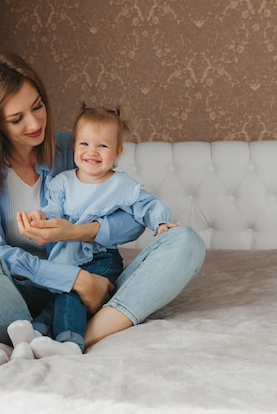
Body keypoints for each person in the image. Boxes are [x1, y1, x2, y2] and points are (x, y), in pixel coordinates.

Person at [0, 52, 206, 361]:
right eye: (17, 118)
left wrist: (80, 232)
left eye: (38, 106)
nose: (35, 122)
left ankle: (76, 336)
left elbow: (130, 218)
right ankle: (46, 329)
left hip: (93, 284)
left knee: (185, 242)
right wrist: (75, 281)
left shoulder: (75, 148)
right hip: (23, 296)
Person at [14, 103, 184, 358]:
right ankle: (31, 341)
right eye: (84, 144)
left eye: (102, 146)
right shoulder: (63, 182)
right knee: (55, 295)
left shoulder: (121, 184)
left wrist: (160, 223)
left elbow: (145, 205)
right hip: (65, 257)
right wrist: (41, 218)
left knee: (71, 292)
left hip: (101, 258)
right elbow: (53, 210)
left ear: (117, 151)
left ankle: (70, 344)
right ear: (74, 146)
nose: (91, 152)